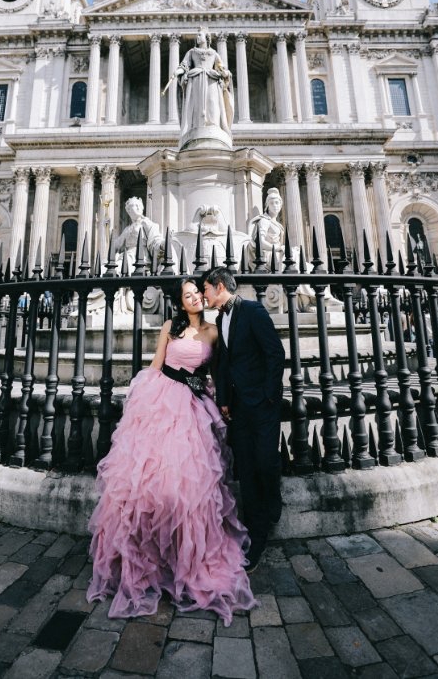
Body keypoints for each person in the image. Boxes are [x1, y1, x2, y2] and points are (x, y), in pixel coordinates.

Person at [87, 279, 256, 624]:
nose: (194, 297)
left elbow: (214, 373)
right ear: (180, 302)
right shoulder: (170, 326)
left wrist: (217, 397)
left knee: (187, 483)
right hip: (161, 398)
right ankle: (145, 560)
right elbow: (156, 364)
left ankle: (182, 559)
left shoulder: (212, 331)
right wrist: (139, 401)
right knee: (146, 479)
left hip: (192, 404)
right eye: (188, 295)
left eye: (197, 293)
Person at [202, 266, 284, 570]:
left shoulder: (252, 310)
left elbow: (274, 354)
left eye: (206, 289)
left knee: (264, 461)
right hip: (237, 407)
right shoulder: (221, 318)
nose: (204, 294)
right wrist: (223, 399)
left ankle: (272, 502)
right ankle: (256, 533)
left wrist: (268, 396)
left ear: (219, 286)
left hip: (261, 405)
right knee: (246, 470)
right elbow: (224, 365)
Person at [168, 29, 233, 145]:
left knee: (212, 103)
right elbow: (184, 65)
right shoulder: (192, 52)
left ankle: (213, 125)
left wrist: (226, 73)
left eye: (199, 35)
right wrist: (179, 71)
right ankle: (196, 126)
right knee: (196, 105)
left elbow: (221, 68)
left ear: (206, 37)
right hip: (195, 81)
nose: (197, 37)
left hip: (211, 81)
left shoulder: (213, 53)